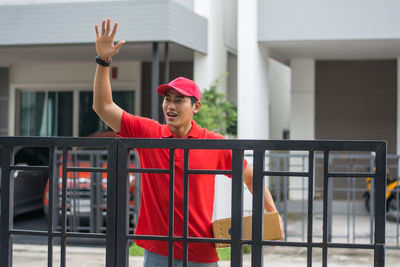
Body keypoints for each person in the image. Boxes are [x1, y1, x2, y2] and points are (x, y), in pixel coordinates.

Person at [93, 18, 284, 267]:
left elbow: (251, 176)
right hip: (159, 250)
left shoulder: (213, 143)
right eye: (167, 99)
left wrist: (272, 214)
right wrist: (103, 62)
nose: (170, 106)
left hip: (201, 252)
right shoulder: (149, 134)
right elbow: (103, 106)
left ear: (196, 107)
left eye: (179, 100)